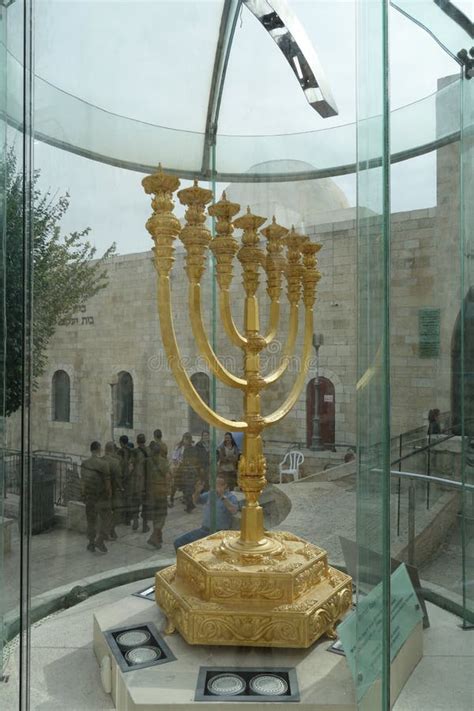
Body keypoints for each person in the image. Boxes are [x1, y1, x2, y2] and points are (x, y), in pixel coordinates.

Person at [174, 475, 238, 549]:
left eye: (217, 484)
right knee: (178, 543)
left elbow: (234, 510)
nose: (213, 485)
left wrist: (222, 496)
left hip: (218, 533)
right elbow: (196, 501)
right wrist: (197, 491)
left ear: (225, 486)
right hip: (204, 530)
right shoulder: (211, 494)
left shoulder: (231, 497)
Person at [80, 441, 111, 553]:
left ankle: (91, 543)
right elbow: (107, 483)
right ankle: (100, 540)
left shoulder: (84, 463)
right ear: (99, 450)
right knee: (107, 519)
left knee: (91, 521)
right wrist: (109, 495)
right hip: (101, 496)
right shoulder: (104, 464)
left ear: (90, 449)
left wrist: (83, 495)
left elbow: (83, 482)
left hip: (89, 496)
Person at [146, 440, 170, 548]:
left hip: (151, 492)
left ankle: (159, 535)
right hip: (161, 491)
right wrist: (168, 489)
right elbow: (168, 476)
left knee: (156, 514)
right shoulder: (163, 462)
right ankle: (154, 537)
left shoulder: (147, 462)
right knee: (162, 515)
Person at [103, 441, 123, 539]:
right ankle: (110, 529)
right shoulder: (116, 462)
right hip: (113, 490)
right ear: (113, 450)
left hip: (101, 490)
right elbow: (118, 477)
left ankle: (109, 530)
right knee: (117, 510)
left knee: (106, 512)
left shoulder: (100, 460)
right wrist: (121, 488)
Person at [130, 433, 150, 532]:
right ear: (145, 441)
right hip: (147, 481)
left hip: (137, 480)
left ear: (137, 441)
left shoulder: (134, 452)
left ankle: (135, 521)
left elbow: (131, 467)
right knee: (146, 503)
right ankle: (145, 525)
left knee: (135, 501)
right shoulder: (149, 451)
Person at [117, 434, 132, 525]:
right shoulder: (131, 451)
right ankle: (128, 519)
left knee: (122, 498)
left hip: (122, 477)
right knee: (128, 498)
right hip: (129, 477)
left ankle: (123, 518)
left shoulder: (120, 451)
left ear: (121, 442)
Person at [169, 434, 187, 507]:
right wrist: (177, 464)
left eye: (187, 439)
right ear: (183, 439)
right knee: (175, 484)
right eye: (185, 439)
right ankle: (171, 499)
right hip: (179, 468)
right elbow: (174, 457)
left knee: (185, 484)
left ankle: (185, 498)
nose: (186, 441)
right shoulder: (179, 447)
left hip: (186, 469)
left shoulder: (189, 447)